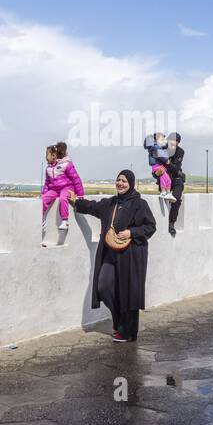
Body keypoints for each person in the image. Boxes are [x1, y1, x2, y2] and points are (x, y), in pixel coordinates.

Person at [68, 170, 156, 343]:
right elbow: (92, 207)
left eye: (124, 181)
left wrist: (131, 232)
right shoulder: (111, 203)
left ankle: (126, 332)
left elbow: (150, 227)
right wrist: (75, 202)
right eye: (118, 180)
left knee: (128, 294)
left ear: (131, 184)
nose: (120, 184)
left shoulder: (139, 204)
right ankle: (118, 322)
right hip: (110, 255)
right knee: (104, 287)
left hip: (130, 257)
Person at [41, 142, 84, 242]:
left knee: (63, 198)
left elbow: (76, 179)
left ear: (54, 155)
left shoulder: (66, 165)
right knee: (43, 200)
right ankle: (42, 218)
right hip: (54, 189)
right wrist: (44, 193)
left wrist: (80, 194)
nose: (45, 157)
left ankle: (65, 221)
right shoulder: (48, 169)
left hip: (67, 187)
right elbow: (47, 182)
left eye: (47, 154)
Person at [163, 132, 186, 237]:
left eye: (177, 141)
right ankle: (162, 222)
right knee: (164, 198)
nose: (174, 143)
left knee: (176, 198)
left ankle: (171, 223)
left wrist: (168, 163)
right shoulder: (162, 149)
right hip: (164, 179)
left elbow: (176, 168)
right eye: (172, 140)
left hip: (176, 179)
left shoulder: (180, 151)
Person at [144, 132, 175, 201]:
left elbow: (163, 148)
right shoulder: (155, 147)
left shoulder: (157, 147)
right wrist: (167, 160)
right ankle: (164, 192)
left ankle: (168, 193)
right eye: (162, 139)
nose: (164, 140)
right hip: (157, 166)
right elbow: (161, 155)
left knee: (168, 179)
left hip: (159, 165)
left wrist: (166, 144)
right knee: (164, 177)